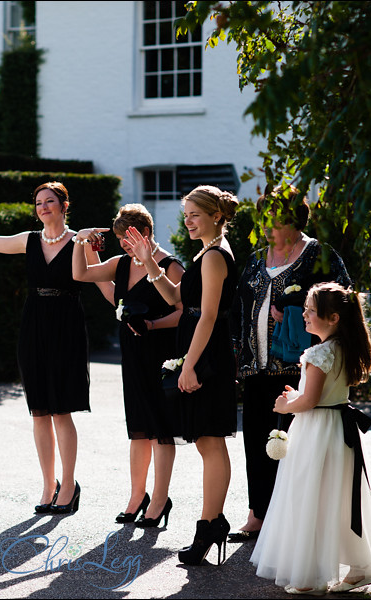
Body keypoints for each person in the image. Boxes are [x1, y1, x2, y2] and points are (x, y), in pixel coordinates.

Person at [0, 173, 110, 514]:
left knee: (62, 410)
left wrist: (128, 312)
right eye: (38, 203)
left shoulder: (81, 241)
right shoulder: (28, 240)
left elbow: (103, 282)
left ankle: (69, 484)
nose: (43, 207)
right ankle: (49, 484)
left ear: (64, 206)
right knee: (39, 412)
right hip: (33, 327)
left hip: (67, 327)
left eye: (50, 201)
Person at [251, 282, 371, 595]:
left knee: (311, 496)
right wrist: (300, 395)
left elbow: (311, 401)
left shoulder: (318, 353)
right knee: (341, 496)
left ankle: (311, 576)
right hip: (338, 430)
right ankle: (360, 567)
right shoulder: (342, 348)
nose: (303, 314)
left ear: (333, 318)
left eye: (311, 311)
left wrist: (287, 404)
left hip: (317, 431)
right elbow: (324, 394)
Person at [228, 186, 352, 543]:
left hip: (299, 371)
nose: (268, 227)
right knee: (256, 441)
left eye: (276, 219)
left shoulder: (318, 255)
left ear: (295, 219)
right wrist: (237, 354)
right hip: (256, 367)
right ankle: (258, 515)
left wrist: (296, 304)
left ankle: (293, 520)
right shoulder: (255, 259)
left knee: (293, 446)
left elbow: (341, 299)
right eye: (264, 218)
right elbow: (238, 309)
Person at [127, 185, 239, 566]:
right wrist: (148, 263)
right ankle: (211, 524)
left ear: (215, 216)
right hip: (199, 349)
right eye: (186, 214)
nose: (188, 221)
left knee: (211, 441)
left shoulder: (214, 256)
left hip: (207, 354)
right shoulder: (205, 253)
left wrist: (189, 364)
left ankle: (210, 525)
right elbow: (178, 299)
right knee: (207, 442)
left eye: (195, 214)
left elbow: (207, 315)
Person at [71, 204, 184, 528]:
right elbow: (81, 274)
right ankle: (138, 496)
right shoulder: (121, 263)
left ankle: (160, 500)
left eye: (127, 237)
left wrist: (152, 325)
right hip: (133, 355)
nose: (123, 243)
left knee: (162, 431)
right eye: (120, 238)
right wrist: (81, 243)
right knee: (138, 430)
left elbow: (187, 312)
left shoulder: (170, 266)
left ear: (145, 233)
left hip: (162, 355)